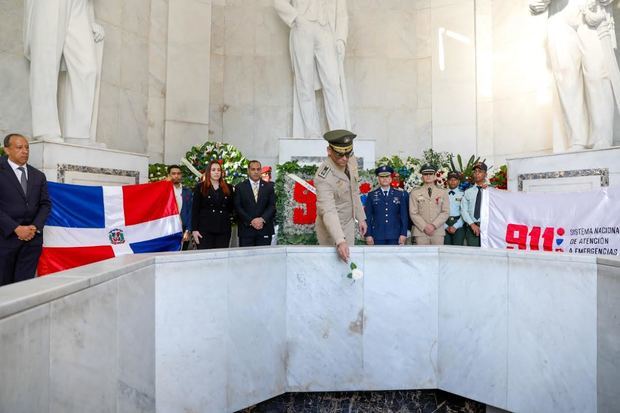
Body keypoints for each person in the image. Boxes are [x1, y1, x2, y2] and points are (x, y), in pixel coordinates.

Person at [529, 0, 617, 150]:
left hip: (590, 7)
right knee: (565, 77)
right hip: (558, 13)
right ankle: (577, 138)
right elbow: (536, 5)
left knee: (597, 73)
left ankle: (602, 136)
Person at [24, 0, 105, 141]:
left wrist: (90, 20)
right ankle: (46, 128)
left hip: (80, 4)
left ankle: (77, 134)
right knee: (46, 60)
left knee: (87, 68)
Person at [274, 0, 350, 138]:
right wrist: (296, 17)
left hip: (327, 30)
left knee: (333, 82)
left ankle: (339, 134)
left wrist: (340, 38)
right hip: (302, 28)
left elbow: (342, 13)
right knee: (305, 84)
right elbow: (279, 2)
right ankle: (311, 134)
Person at [0, 134, 51, 286]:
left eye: (27, 148)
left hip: (31, 242)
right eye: (19, 147)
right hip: (5, 240)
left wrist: (34, 227)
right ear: (7, 150)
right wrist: (15, 228)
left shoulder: (38, 176)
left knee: (24, 288)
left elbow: (45, 204)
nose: (25, 151)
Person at [314, 129, 367, 262]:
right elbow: (328, 211)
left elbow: (354, 191)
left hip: (349, 224)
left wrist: (361, 218)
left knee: (349, 267)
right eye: (339, 154)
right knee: (333, 269)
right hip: (332, 230)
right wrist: (339, 240)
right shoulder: (323, 177)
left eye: (348, 153)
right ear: (329, 151)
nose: (344, 158)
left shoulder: (350, 160)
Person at [191, 161, 234, 249]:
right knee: (205, 258)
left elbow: (231, 208)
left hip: (223, 229)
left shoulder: (228, 187)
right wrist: (194, 230)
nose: (216, 172)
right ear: (208, 172)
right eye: (213, 170)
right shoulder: (200, 187)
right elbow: (195, 210)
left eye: (218, 170)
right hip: (204, 229)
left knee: (221, 258)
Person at [234, 160, 276, 247]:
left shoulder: (269, 187)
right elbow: (238, 207)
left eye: (258, 169)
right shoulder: (240, 187)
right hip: (246, 231)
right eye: (253, 169)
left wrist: (262, 219)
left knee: (264, 258)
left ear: (261, 170)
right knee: (246, 259)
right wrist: (251, 221)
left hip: (264, 229)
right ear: (248, 171)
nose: (256, 172)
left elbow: (272, 206)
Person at [364, 165, 408, 246]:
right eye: (382, 177)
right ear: (378, 179)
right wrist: (368, 234)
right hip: (377, 235)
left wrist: (403, 233)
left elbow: (404, 216)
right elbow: (368, 217)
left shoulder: (399, 194)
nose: (385, 179)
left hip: (395, 235)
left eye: (387, 176)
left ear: (391, 178)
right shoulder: (371, 195)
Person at [409, 163, 449, 245]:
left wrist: (434, 225)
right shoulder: (415, 193)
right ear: (422, 176)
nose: (428, 176)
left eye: (431, 174)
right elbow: (413, 213)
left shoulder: (442, 192)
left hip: (437, 231)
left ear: (435, 176)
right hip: (421, 232)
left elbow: (445, 212)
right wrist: (425, 226)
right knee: (422, 257)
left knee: (438, 256)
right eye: (425, 174)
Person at [461, 162, 488, 247]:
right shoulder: (468, 192)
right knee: (473, 255)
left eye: (479, 171)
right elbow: (464, 210)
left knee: (489, 254)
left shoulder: (491, 191)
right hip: (472, 227)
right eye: (475, 171)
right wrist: (472, 225)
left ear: (485, 174)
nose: (477, 174)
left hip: (487, 227)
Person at [167, 165, 192, 250]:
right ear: (169, 175)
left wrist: (188, 230)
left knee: (182, 255)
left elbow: (190, 211)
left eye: (178, 173)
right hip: (168, 229)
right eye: (173, 173)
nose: (176, 176)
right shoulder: (164, 191)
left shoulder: (187, 191)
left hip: (183, 229)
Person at [444, 171, 465, 246]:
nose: (453, 182)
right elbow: (438, 211)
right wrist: (445, 226)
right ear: (447, 181)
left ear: (459, 181)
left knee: (458, 250)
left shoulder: (463, 194)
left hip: (458, 224)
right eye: (450, 179)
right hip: (444, 223)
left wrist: (456, 226)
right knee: (445, 250)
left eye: (455, 179)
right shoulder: (442, 193)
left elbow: (465, 212)